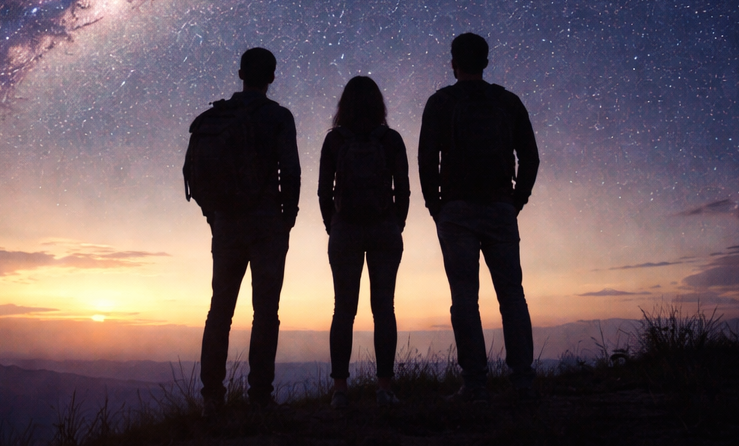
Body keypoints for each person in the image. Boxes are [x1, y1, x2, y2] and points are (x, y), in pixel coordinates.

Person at [418, 33, 539, 401]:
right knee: (512, 296)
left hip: (456, 211)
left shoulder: (440, 102)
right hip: (500, 207)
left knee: (465, 299)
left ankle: (474, 384)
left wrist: (435, 206)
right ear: (486, 62)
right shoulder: (507, 101)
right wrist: (516, 201)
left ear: (453, 62)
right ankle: (522, 381)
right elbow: (530, 158)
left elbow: (426, 159)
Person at [185, 47, 301, 412]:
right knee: (266, 311)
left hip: (227, 225)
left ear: (240, 74)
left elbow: (194, 172)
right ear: (272, 76)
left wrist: (214, 215)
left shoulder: (214, 118)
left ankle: (212, 399)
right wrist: (288, 217)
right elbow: (291, 171)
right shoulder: (278, 117)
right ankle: (260, 398)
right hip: (268, 224)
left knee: (220, 309)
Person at [318, 76, 409, 409]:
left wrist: (334, 225)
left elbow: (323, 192)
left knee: (343, 310)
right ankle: (384, 388)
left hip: (345, 230)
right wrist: (396, 223)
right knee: (384, 309)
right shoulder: (391, 139)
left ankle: (340, 391)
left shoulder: (334, 141)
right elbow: (404, 189)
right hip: (385, 228)